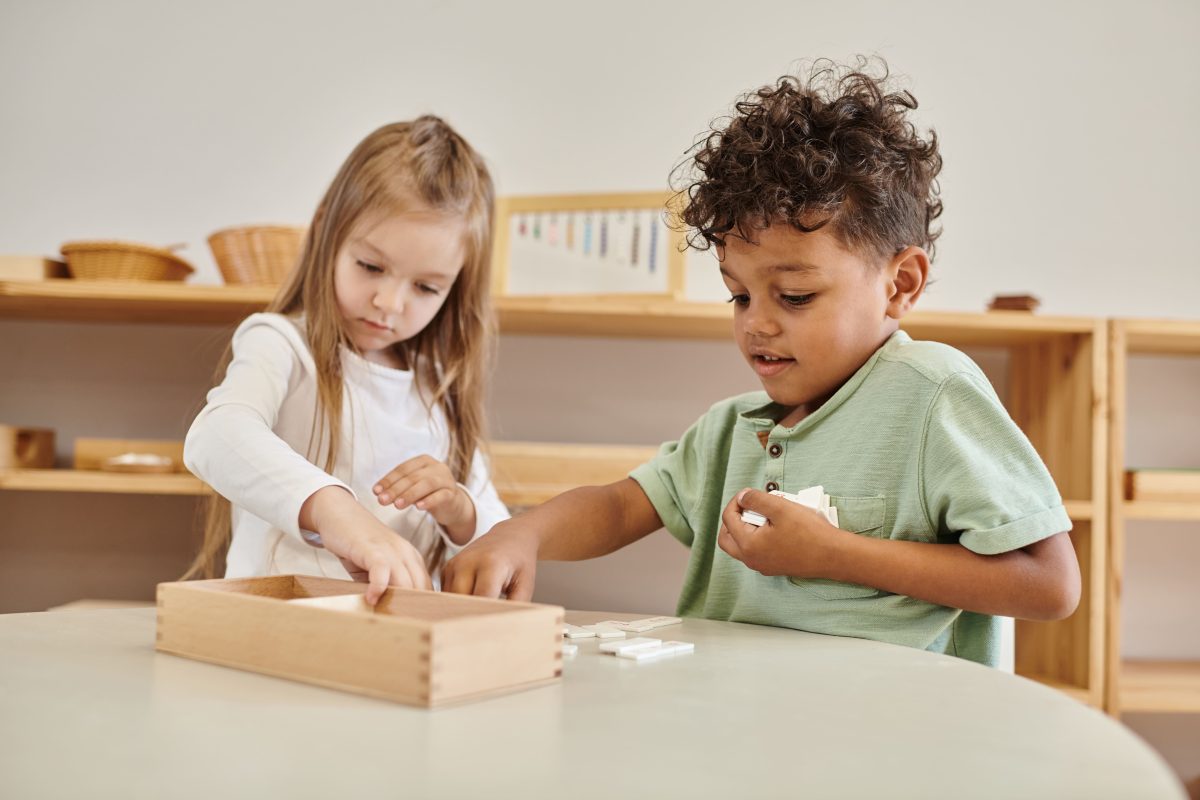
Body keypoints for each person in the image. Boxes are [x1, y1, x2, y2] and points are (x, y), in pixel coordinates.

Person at [443, 59, 1080, 666]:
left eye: (796, 296)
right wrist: (520, 535)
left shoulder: (933, 393)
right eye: (739, 295)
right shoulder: (730, 430)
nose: (757, 323)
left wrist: (836, 555)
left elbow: (1049, 584)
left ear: (900, 283)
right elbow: (616, 507)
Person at [184, 116, 508, 603]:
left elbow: (497, 532)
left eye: (425, 287)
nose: (390, 303)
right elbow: (216, 435)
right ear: (327, 236)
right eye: (371, 266)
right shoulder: (282, 344)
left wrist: (460, 510)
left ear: (454, 290)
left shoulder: (437, 389)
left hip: (391, 646)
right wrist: (333, 510)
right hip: (277, 636)